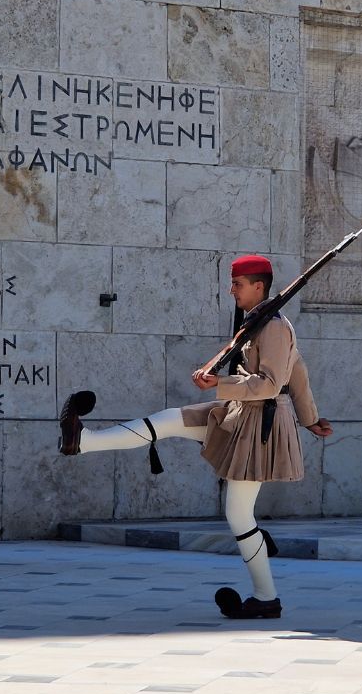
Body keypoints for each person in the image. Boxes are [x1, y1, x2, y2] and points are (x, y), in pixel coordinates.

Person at [58, 254, 332, 619]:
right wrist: (311, 419)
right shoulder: (260, 323)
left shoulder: (275, 327)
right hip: (238, 413)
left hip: (258, 425)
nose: (231, 289)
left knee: (238, 515)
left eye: (238, 284)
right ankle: (83, 440)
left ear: (258, 286)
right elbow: (298, 371)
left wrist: (220, 382)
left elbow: (271, 384)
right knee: (171, 419)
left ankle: (266, 597)